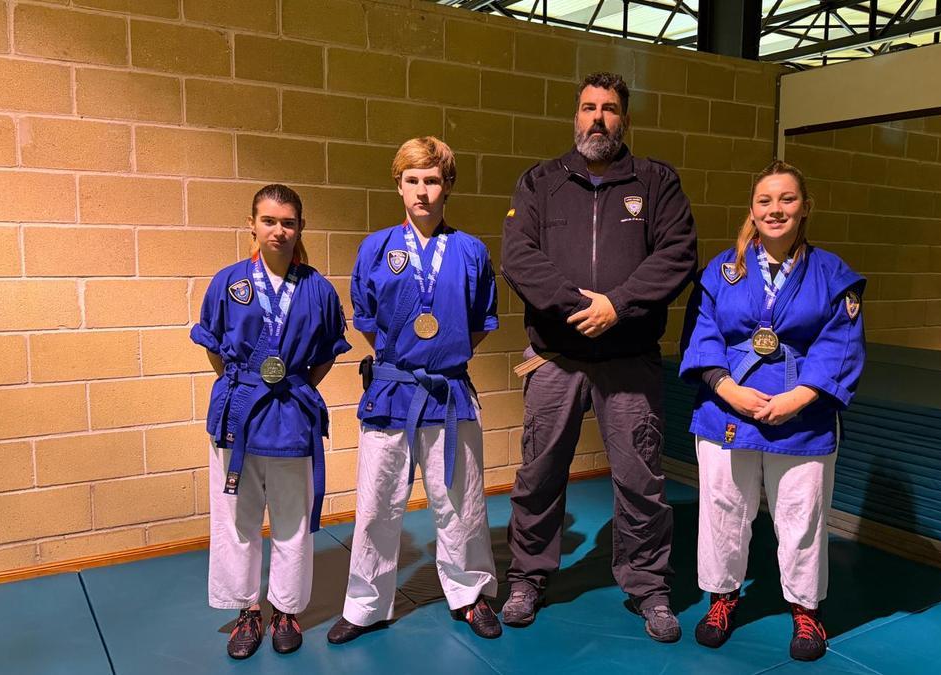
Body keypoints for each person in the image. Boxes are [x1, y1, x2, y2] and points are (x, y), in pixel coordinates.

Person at [500, 71, 697, 642]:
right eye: (588, 108)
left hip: (629, 357)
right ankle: (527, 578)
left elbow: (678, 253)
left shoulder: (656, 182)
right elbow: (519, 257)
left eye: (609, 109)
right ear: (575, 116)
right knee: (539, 474)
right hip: (555, 358)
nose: (598, 119)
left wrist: (619, 305)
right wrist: (574, 308)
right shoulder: (540, 182)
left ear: (625, 119)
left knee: (640, 477)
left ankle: (649, 587)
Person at [679, 161, 866, 661]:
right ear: (752, 209)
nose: (775, 209)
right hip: (728, 412)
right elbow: (703, 335)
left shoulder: (831, 274)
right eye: (765, 201)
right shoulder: (722, 271)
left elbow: (840, 345)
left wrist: (799, 398)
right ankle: (722, 598)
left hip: (801, 417)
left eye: (786, 199)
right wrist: (726, 388)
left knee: (802, 517)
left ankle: (806, 611)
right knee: (723, 512)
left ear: (805, 207)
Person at [326, 136, 502, 644]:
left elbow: (479, 323)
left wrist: (442, 357)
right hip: (392, 392)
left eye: (431, 180)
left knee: (461, 502)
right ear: (399, 186)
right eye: (412, 181)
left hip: (449, 394)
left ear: (447, 186)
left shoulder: (470, 251)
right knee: (378, 505)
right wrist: (404, 359)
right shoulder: (377, 247)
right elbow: (366, 319)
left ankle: (469, 594)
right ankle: (364, 605)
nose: (422, 191)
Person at [190, 184, 351, 659]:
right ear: (252, 225)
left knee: (292, 518)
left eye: (288, 222)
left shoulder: (318, 289)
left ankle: (285, 608)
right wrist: (246, 387)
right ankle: (246, 609)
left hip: (291, 414)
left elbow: (325, 355)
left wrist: (293, 384)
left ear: (300, 227)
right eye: (268, 221)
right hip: (239, 412)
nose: (278, 231)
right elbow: (213, 346)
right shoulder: (228, 282)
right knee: (236, 519)